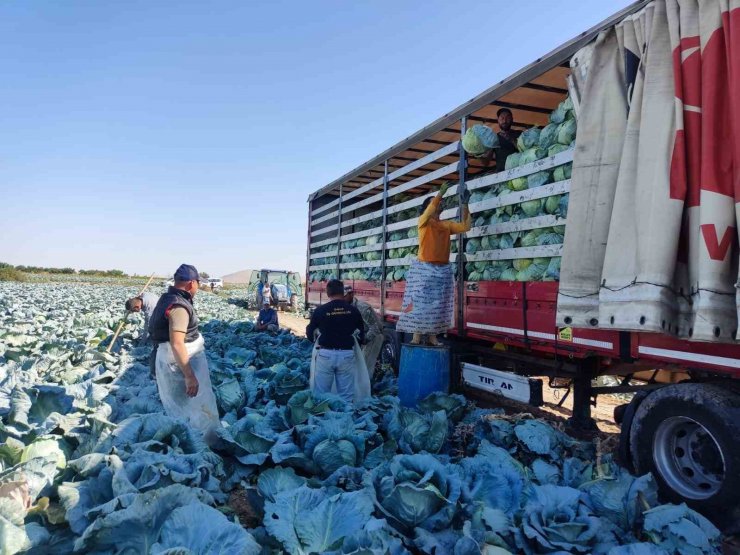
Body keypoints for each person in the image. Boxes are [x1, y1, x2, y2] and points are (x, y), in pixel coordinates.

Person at [148, 264, 220, 445]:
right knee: (192, 404)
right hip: (179, 364)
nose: (198, 287)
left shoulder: (167, 298)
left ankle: (190, 440)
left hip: (170, 361)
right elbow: (177, 343)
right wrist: (189, 375)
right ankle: (202, 444)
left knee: (180, 405)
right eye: (197, 283)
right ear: (190, 284)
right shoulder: (179, 306)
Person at [396, 182, 471, 345]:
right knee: (420, 304)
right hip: (423, 268)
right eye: (434, 203)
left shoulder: (445, 225)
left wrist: (465, 205)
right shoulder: (423, 222)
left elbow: (466, 226)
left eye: (439, 202)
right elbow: (429, 211)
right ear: (428, 207)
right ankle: (416, 337)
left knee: (437, 305)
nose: (439, 204)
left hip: (442, 269)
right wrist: (439, 195)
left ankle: (432, 337)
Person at [306, 279, 365, 403]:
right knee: (346, 396)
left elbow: (310, 332)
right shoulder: (353, 310)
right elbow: (361, 333)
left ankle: (322, 418)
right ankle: (345, 418)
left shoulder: (320, 311)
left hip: (325, 355)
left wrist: (314, 340)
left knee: (321, 394)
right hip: (346, 355)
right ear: (342, 292)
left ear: (328, 293)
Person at [344, 285, 384, 377]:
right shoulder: (346, 307)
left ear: (351, 294)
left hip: (373, 338)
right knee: (358, 366)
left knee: (365, 366)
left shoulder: (362, 308)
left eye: (345, 296)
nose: (343, 298)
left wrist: (364, 340)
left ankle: (366, 389)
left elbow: (375, 328)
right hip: (362, 338)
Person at [125, 291, 160, 376]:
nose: (135, 312)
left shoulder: (149, 309)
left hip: (163, 318)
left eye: (134, 311)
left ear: (137, 307)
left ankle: (154, 370)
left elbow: (147, 327)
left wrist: (143, 341)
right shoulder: (143, 296)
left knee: (155, 337)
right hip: (157, 306)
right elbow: (142, 294)